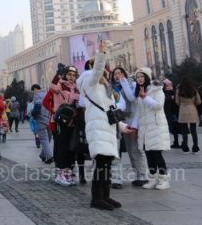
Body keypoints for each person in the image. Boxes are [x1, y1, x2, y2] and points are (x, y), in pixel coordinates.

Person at [76, 43, 130, 210]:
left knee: (107, 164)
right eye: (102, 66)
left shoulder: (105, 88)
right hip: (97, 128)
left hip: (108, 129)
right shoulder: (89, 82)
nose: (105, 69)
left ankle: (105, 196)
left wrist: (122, 126)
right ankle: (96, 198)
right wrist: (101, 54)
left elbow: (111, 111)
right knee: (101, 164)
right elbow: (96, 71)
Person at [110, 67, 149, 188]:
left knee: (135, 150)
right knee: (115, 152)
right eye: (115, 74)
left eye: (120, 73)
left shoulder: (131, 84)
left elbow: (131, 97)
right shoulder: (109, 87)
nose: (118, 76)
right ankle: (116, 180)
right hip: (115, 120)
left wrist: (124, 83)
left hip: (130, 120)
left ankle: (142, 176)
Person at [133, 67, 170, 190]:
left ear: (147, 77)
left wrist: (145, 98)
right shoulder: (139, 92)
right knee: (148, 154)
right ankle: (152, 179)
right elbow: (138, 112)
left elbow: (159, 106)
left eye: (142, 76)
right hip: (144, 129)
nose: (139, 79)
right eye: (137, 77)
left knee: (157, 154)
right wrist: (134, 127)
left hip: (156, 127)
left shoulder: (157, 90)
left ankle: (164, 179)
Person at [47, 63, 80, 186]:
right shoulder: (60, 85)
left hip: (73, 122)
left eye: (73, 75)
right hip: (60, 122)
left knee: (71, 149)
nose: (71, 77)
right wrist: (58, 74)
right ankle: (60, 174)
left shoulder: (77, 87)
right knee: (62, 147)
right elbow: (52, 87)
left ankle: (68, 173)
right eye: (69, 74)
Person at [176, 77, 201, 153]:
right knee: (193, 130)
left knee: (184, 131)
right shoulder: (194, 90)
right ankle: (195, 146)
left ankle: (185, 146)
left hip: (183, 110)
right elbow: (199, 101)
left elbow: (177, 102)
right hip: (192, 109)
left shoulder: (179, 90)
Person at [30, 84, 53, 163]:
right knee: (49, 138)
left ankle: (49, 157)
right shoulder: (47, 93)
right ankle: (43, 154)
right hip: (49, 118)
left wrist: (32, 114)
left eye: (33, 90)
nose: (34, 92)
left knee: (43, 138)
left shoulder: (37, 96)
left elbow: (36, 108)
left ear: (35, 89)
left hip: (40, 119)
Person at [162, 79, 180, 148]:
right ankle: (175, 142)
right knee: (171, 128)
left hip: (171, 112)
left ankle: (175, 142)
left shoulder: (172, 91)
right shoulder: (171, 91)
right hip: (171, 112)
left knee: (172, 128)